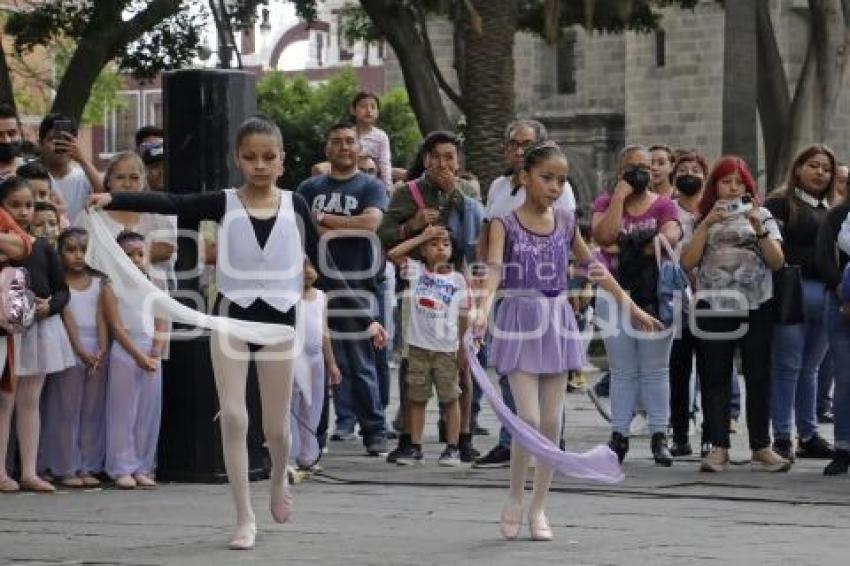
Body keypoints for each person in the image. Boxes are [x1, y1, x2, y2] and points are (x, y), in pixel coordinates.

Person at [87, 115, 387, 550]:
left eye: (268, 157)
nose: (260, 165)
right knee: (232, 415)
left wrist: (364, 316)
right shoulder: (224, 201)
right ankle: (244, 515)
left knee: (277, 428)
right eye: (250, 158)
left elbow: (327, 267)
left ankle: (279, 478)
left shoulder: (296, 204)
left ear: (282, 161)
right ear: (237, 160)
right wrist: (113, 196)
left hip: (279, 319)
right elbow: (173, 201)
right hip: (229, 315)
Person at [475, 142, 660, 541]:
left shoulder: (565, 222)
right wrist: (480, 307)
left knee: (552, 421)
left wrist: (629, 307)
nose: (555, 187)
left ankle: (539, 507)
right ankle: (514, 497)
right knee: (527, 418)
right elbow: (491, 269)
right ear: (524, 177)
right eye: (547, 178)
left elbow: (594, 267)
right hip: (519, 318)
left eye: (561, 180)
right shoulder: (502, 224)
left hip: (557, 319)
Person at [379, 131, 484, 463]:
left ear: (458, 161)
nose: (443, 163)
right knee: (413, 361)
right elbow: (383, 237)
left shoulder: (466, 193)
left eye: (450, 156)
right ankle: (410, 440)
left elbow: (474, 240)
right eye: (436, 156)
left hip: (457, 285)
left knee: (461, 365)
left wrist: (454, 194)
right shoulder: (408, 192)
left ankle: (462, 438)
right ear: (426, 159)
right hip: (416, 289)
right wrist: (413, 224)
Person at [475, 119, 574, 469]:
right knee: (512, 373)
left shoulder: (560, 192)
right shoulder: (499, 188)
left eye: (526, 143)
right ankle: (511, 439)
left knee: (550, 384)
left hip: (548, 298)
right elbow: (490, 238)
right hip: (512, 295)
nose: (519, 149)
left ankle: (550, 442)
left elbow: (566, 243)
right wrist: (483, 291)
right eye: (514, 143)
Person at [681, 156, 790, 473]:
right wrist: (706, 224)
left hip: (756, 302)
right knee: (714, 374)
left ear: (747, 186)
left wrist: (758, 228)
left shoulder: (763, 214)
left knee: (759, 373)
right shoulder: (700, 217)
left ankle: (761, 445)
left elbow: (777, 261)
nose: (732, 188)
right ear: (714, 185)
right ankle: (718, 446)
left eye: (738, 182)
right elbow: (687, 262)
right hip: (714, 303)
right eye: (726, 181)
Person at [296, 121, 390, 456]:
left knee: (360, 363)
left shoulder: (370, 186)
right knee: (316, 359)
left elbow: (370, 224)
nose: (344, 147)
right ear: (327, 149)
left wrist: (324, 222)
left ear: (359, 147)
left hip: (359, 282)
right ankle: (314, 432)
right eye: (337, 142)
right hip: (315, 285)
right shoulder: (308, 188)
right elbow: (304, 232)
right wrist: (321, 227)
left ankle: (374, 430)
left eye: (350, 141)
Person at [591, 145, 681, 465]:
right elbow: (603, 237)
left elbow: (667, 237)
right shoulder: (605, 202)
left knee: (656, 370)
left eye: (645, 167)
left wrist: (625, 244)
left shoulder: (665, 205)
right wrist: (618, 198)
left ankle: (660, 435)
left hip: (653, 294)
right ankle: (619, 436)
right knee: (622, 370)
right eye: (632, 167)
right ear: (620, 173)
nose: (641, 172)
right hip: (614, 294)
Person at [0, 175, 75, 493]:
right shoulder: (10, 248)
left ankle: (29, 470)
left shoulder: (43, 248)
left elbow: (62, 290)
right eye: (14, 205)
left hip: (37, 331)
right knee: (5, 402)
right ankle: (3, 471)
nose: (23, 212)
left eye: (28, 205)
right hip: (10, 330)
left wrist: (49, 308)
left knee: (29, 401)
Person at [765, 144, 835, 462]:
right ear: (797, 169)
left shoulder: (830, 208)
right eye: (814, 166)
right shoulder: (780, 203)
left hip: (826, 297)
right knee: (787, 367)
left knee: (811, 369)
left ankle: (807, 434)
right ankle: (782, 435)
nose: (821, 173)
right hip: (792, 296)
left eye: (826, 168)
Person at [387, 225, 470, 466]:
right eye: (433, 244)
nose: (440, 248)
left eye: (445, 243)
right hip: (418, 348)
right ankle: (415, 446)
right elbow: (393, 254)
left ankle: (453, 447)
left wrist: (464, 349)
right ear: (423, 250)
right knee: (417, 398)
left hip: (447, 349)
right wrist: (421, 236)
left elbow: (464, 315)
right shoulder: (416, 272)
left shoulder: (458, 280)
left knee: (451, 398)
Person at [40, 227, 109, 487]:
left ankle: (87, 464)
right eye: (70, 250)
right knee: (65, 408)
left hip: (97, 351)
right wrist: (80, 350)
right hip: (71, 347)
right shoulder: (60, 285)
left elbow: (104, 316)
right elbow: (67, 319)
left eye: (83, 250)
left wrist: (101, 348)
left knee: (92, 409)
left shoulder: (100, 282)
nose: (78, 255)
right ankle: (63, 465)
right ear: (59, 253)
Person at [102, 231, 168, 489]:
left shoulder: (154, 285)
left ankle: (143, 464)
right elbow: (117, 327)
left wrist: (155, 351)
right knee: (123, 411)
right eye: (128, 255)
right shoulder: (111, 287)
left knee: (147, 412)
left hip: (151, 353)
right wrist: (139, 355)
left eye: (140, 254)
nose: (135, 259)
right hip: (126, 351)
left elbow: (163, 320)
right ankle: (122, 466)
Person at [85, 151, 177, 291]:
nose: (127, 184)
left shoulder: (158, 214)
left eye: (134, 178)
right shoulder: (91, 217)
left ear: (143, 181)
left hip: (154, 302)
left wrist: (114, 255)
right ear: (108, 181)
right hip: (106, 300)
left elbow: (166, 250)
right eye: (120, 177)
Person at [668, 151, 709, 457]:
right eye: (683, 170)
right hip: (677, 300)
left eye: (696, 170)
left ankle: (712, 433)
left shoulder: (711, 211)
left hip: (709, 298)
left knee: (711, 369)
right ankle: (680, 434)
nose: (690, 174)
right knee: (678, 369)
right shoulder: (667, 212)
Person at [289, 259, 341, 469]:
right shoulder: (289, 299)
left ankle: (308, 455)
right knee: (292, 408)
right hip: (294, 359)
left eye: (311, 267)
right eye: (302, 267)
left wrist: (332, 363)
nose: (308, 272)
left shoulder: (321, 297)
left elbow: (325, 333)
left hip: (316, 359)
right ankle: (290, 455)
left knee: (314, 408)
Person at [816, 189, 850, 475]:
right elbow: (824, 256)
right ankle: (843, 447)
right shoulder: (837, 216)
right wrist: (842, 291)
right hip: (841, 305)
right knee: (845, 377)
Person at [38, 114, 102, 223]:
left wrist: (82, 160)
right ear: (40, 144)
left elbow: (105, 193)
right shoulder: (33, 178)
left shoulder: (84, 178)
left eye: (66, 139)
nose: (60, 144)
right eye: (53, 139)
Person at [351, 92, 393, 190]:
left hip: (374, 174)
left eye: (373, 107)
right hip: (352, 173)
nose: (368, 110)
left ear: (377, 112)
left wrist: (387, 188)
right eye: (363, 106)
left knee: (404, 174)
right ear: (353, 110)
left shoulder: (381, 136)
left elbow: (385, 162)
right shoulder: (348, 134)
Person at [0, 104, 24, 175]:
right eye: (0, 134)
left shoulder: (33, 170)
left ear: (19, 132)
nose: (7, 140)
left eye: (11, 133)